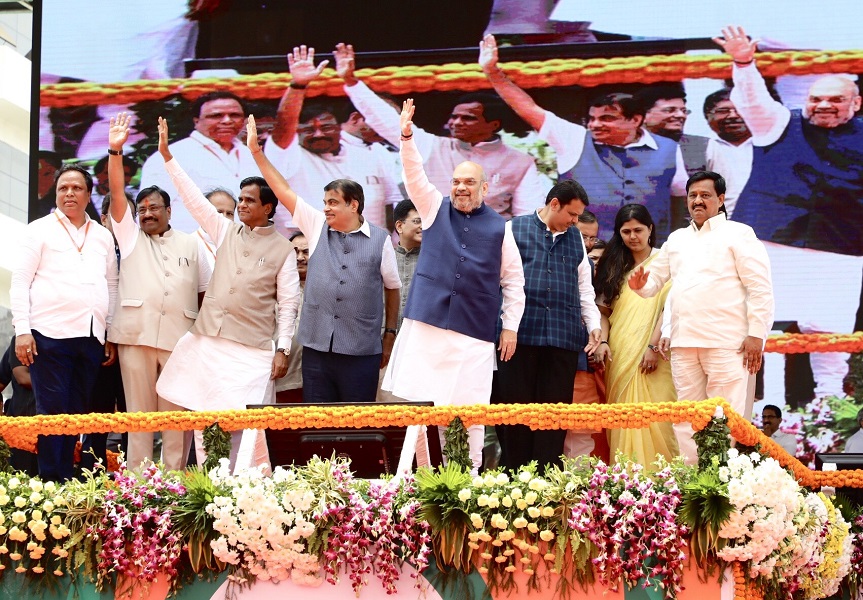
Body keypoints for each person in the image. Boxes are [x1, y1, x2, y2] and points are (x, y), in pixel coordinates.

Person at [716, 26, 863, 399]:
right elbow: (752, 100)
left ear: (856, 103)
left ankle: (826, 420)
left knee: (832, 343)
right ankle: (763, 412)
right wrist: (744, 62)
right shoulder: (778, 122)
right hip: (772, 243)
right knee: (761, 330)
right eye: (817, 98)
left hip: (840, 251)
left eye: (835, 100)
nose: (824, 105)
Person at [383, 99, 526, 472]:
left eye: (469, 183)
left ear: (484, 186)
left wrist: (510, 327)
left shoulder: (500, 226)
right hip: (428, 322)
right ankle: (419, 477)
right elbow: (414, 175)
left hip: (474, 331)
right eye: (457, 181)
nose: (462, 188)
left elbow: (513, 281)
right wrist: (406, 136)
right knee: (420, 406)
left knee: (469, 410)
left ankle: (469, 476)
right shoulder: (433, 207)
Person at [153, 117, 300, 470]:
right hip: (210, 342)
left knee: (244, 425)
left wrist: (282, 349)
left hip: (252, 350)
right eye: (241, 199)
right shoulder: (225, 230)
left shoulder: (283, 249)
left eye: (250, 200)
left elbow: (290, 303)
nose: (243, 205)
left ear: (268, 208)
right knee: (206, 418)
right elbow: (191, 199)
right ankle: (209, 484)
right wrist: (167, 156)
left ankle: (246, 489)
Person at [250, 114, 401, 405]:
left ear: (353, 204)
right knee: (317, 422)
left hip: (362, 351)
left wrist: (389, 335)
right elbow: (283, 190)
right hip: (317, 352)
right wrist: (257, 152)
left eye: (332, 203)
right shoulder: (318, 227)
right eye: (325, 203)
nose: (326, 209)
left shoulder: (381, 240)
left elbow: (392, 288)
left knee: (358, 425)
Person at [479, 34, 688, 240]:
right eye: (592, 118)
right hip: (583, 256)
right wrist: (493, 73)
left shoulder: (668, 148)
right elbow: (527, 108)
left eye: (606, 118)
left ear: (635, 120)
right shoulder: (575, 139)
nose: (595, 124)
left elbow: (680, 198)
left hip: (650, 256)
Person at [628, 171, 774, 464]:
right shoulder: (677, 238)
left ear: (720, 200)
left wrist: (757, 334)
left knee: (725, 418)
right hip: (683, 343)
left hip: (726, 342)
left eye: (705, 195)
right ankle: (692, 487)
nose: (697, 201)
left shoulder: (739, 233)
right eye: (692, 195)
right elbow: (654, 280)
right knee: (686, 417)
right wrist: (640, 285)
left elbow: (760, 287)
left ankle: (720, 485)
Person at [106, 113, 212, 471]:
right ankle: (137, 487)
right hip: (134, 336)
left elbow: (206, 293)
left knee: (174, 419)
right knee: (138, 416)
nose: (147, 213)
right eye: (142, 209)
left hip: (178, 340)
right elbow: (117, 194)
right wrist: (115, 151)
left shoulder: (192, 243)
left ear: (169, 211)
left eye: (154, 208)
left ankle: (173, 483)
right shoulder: (129, 236)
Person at [336, 43, 548, 218]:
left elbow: (527, 216)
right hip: (429, 246)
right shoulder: (433, 145)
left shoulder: (520, 162)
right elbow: (388, 121)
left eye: (468, 118)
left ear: (493, 125)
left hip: (487, 251)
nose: (456, 122)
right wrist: (351, 82)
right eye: (454, 117)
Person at [10, 164, 119, 481]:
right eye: (63, 188)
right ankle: (51, 482)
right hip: (49, 335)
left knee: (76, 412)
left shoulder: (101, 235)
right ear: (56, 194)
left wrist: (108, 331)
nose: (69, 193)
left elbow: (110, 285)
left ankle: (65, 478)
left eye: (76, 188)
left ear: (88, 194)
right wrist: (22, 332)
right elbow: (20, 282)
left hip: (90, 337)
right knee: (53, 412)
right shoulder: (38, 229)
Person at [492, 179, 601, 471]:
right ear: (554, 204)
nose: (575, 222)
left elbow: (584, 288)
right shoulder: (512, 229)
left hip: (562, 340)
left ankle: (548, 486)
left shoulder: (575, 238)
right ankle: (513, 485)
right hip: (518, 338)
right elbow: (498, 280)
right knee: (516, 415)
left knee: (554, 417)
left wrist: (593, 324)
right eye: (572, 215)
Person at [263, 46, 403, 236]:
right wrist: (298, 86)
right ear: (297, 133)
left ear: (339, 127)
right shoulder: (288, 157)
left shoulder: (371, 154)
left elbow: (389, 207)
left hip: (370, 256)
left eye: (327, 127)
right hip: (311, 256)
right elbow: (283, 129)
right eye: (309, 130)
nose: (319, 134)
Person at [592, 205, 679, 466]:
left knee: (659, 417)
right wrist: (603, 342)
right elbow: (603, 311)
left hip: (658, 351)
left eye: (638, 230)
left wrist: (652, 346)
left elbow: (670, 308)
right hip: (621, 353)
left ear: (650, 229)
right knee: (622, 418)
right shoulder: (614, 265)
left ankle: (664, 488)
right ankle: (627, 486)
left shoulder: (666, 261)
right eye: (626, 231)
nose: (633, 236)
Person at [140, 91, 259, 233]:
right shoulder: (172, 156)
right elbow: (150, 211)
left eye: (235, 115)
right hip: (190, 250)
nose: (227, 120)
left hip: (247, 247)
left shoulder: (252, 154)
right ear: (196, 121)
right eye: (216, 115)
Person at [636, 85, 709, 175]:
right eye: (670, 110)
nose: (680, 115)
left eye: (684, 111)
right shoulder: (624, 147)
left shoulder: (706, 146)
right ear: (642, 115)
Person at [703, 89, 753, 216]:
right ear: (708, 115)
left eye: (740, 109)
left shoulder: (770, 147)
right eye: (723, 111)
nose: (733, 115)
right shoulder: (699, 149)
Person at [274, 232, 309, 404]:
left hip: (316, 380)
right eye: (295, 252)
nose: (300, 257)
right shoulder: (273, 290)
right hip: (283, 377)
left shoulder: (326, 290)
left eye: (306, 252)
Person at [1, 336, 38, 476]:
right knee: (21, 481)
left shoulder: (69, 342)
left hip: (58, 424)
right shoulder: (21, 340)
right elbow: (22, 378)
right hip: (22, 424)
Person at [196, 188, 237, 271]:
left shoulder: (239, 244)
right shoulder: (190, 243)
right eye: (219, 212)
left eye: (229, 214)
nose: (224, 217)